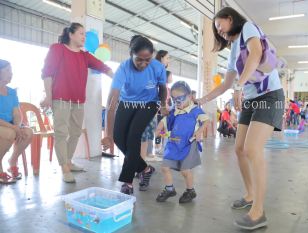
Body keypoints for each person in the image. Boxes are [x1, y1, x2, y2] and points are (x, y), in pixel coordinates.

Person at [196, 7, 284, 230]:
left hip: (270, 96)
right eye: (216, 30)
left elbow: (255, 54)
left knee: (253, 149)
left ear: (229, 18)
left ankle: (259, 212)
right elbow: (226, 84)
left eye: (219, 25)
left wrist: (239, 86)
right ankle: (250, 195)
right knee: (239, 149)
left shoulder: (248, 28)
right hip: (251, 99)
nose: (219, 31)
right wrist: (201, 99)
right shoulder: (234, 49)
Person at [41, 23, 113, 183]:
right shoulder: (57, 49)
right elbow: (47, 72)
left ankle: (68, 161)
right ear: (71, 34)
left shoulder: (84, 55)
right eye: (81, 33)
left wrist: (117, 78)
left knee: (75, 133)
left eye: (85, 35)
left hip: (79, 101)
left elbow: (102, 66)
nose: (84, 37)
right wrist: (48, 96)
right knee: (61, 133)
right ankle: (64, 167)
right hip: (60, 99)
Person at [101, 35, 168, 195]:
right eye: (139, 60)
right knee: (118, 138)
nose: (144, 64)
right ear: (131, 54)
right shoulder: (123, 68)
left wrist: (163, 104)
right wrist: (108, 134)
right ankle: (145, 169)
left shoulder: (158, 67)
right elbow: (111, 104)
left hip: (150, 103)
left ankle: (127, 182)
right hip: (127, 102)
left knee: (133, 136)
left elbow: (163, 88)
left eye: (148, 60)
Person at [155, 81, 209, 203]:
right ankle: (169, 189)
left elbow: (206, 121)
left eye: (180, 99)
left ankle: (190, 191)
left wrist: (199, 131)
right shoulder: (174, 111)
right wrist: (159, 129)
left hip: (188, 144)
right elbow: (164, 121)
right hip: (173, 144)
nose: (177, 102)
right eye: (174, 100)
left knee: (185, 171)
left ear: (190, 97)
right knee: (165, 167)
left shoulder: (196, 111)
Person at [0, 59, 33, 184]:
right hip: (4, 126)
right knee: (10, 133)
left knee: (28, 132)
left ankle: (12, 161)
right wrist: (14, 128)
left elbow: (16, 113)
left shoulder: (12, 92)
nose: (11, 73)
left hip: (10, 125)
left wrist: (18, 126)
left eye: (11, 70)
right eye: (7, 70)